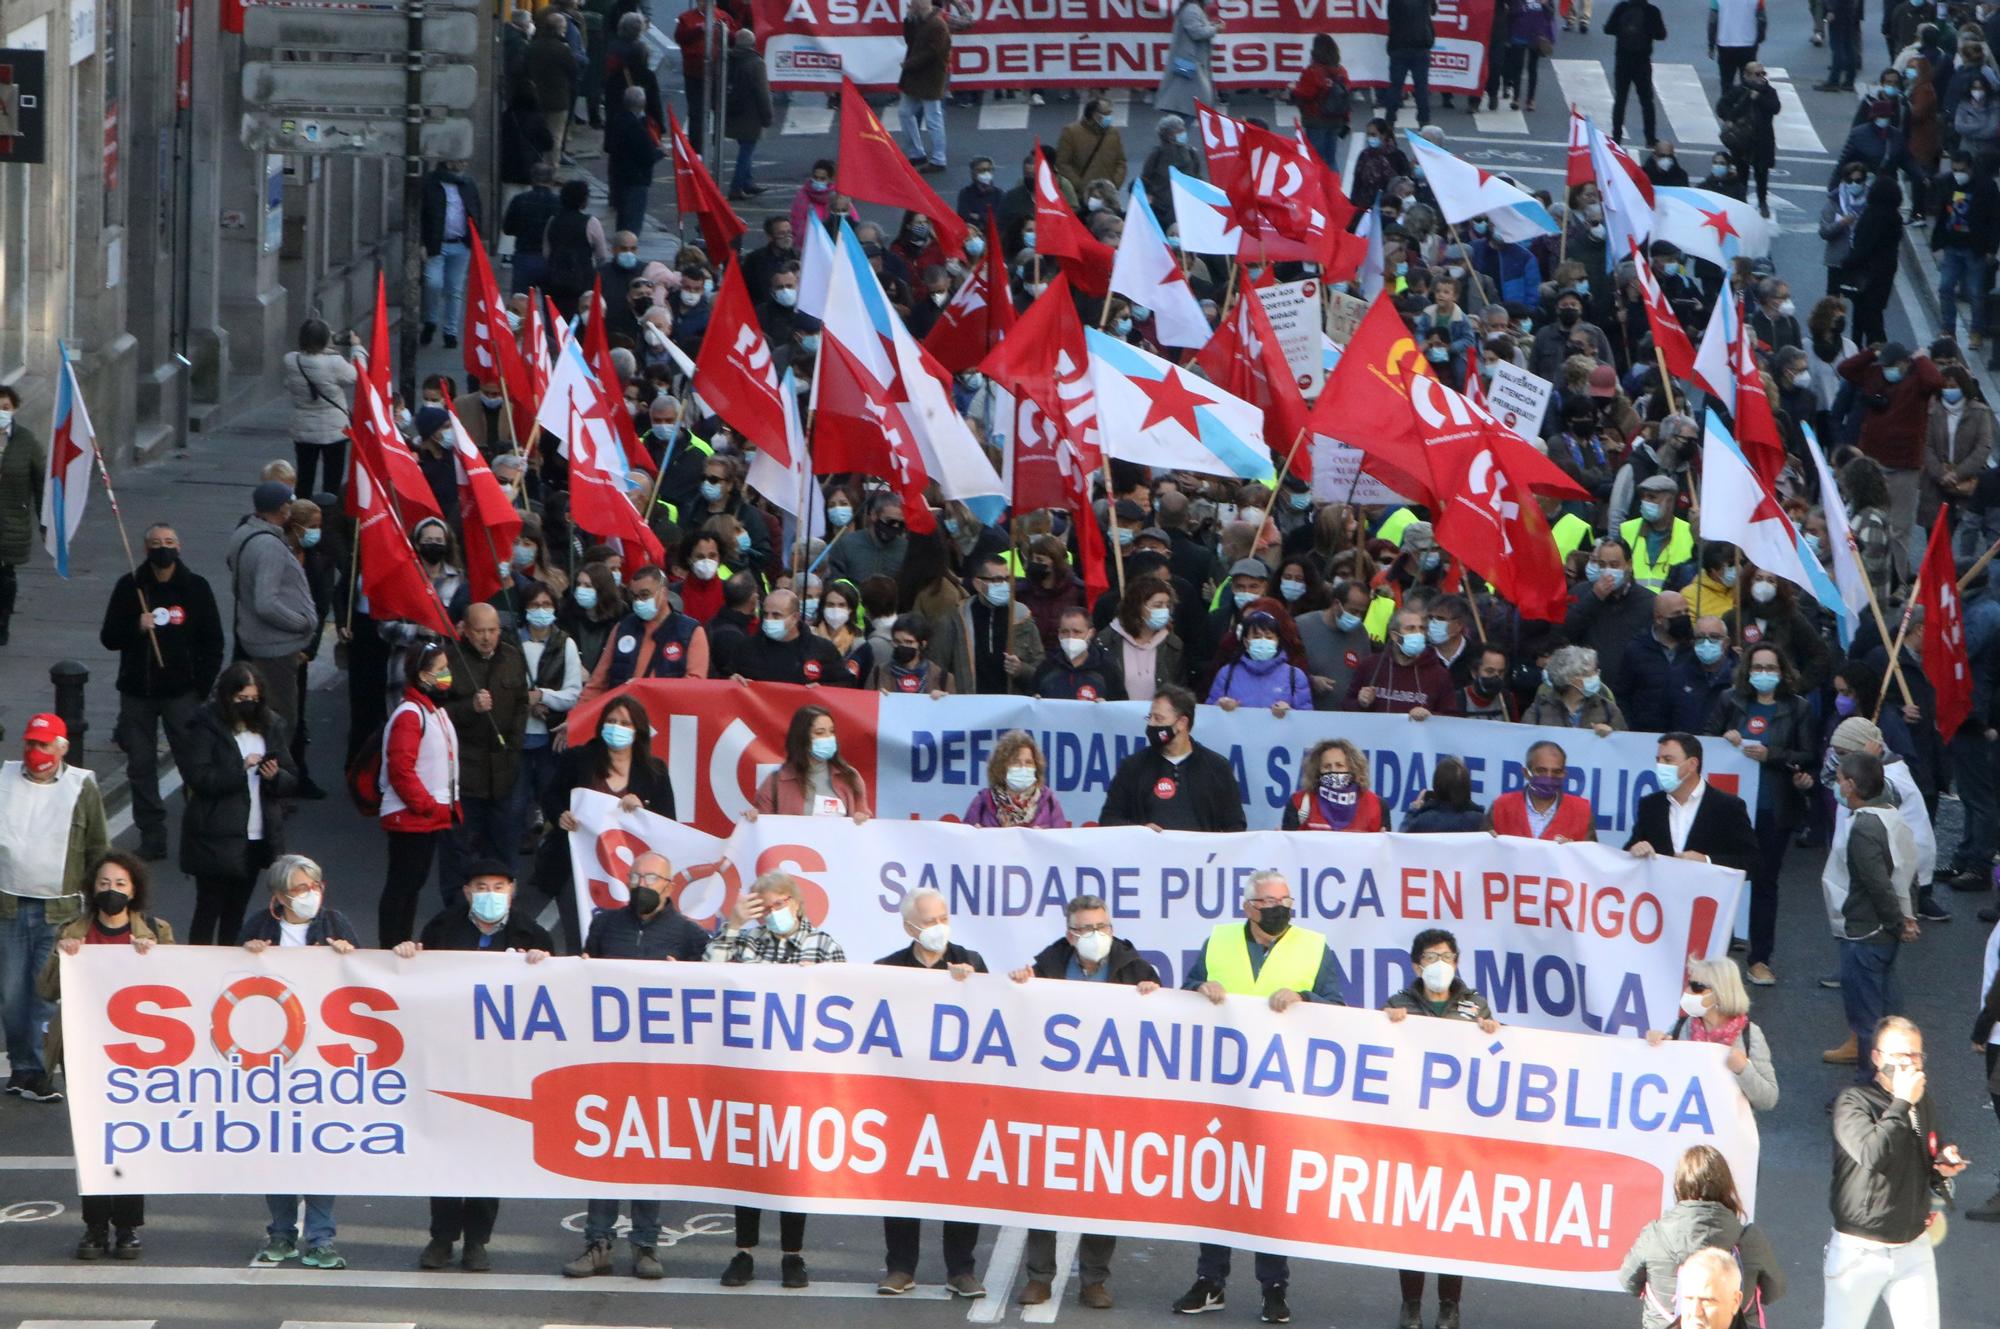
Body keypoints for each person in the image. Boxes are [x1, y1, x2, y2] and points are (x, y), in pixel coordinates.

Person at [1175, 869, 1341, 1324]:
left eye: (1286, 899)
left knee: (1268, 1190)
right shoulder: (1220, 940)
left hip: (1279, 1092)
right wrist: (1199, 990)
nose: (1280, 908)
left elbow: (1340, 1009)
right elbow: (1187, 989)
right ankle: (1211, 1281)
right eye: (1270, 901)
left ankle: (1274, 1287)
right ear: (1249, 907)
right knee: (1217, 1184)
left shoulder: (1313, 946)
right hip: (1222, 1087)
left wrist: (1305, 997)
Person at [392, 859, 552, 1271]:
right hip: (449, 1059)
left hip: (501, 1066)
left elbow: (556, 993)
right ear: (466, 892)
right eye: (481, 886)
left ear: (512, 890)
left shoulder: (533, 935)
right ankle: (442, 1238)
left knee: (487, 1154)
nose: (490, 894)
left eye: (498, 886)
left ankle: (477, 1241)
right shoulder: (442, 929)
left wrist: (545, 963)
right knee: (445, 1150)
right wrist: (408, 955)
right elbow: (418, 981)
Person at [563, 851, 711, 1279]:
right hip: (609, 1061)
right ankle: (597, 1242)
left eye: (651, 876)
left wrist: (684, 976)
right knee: (606, 1149)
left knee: (649, 1150)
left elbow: (710, 991)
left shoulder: (688, 936)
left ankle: (646, 1245)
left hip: (661, 1066)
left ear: (669, 887)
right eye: (635, 874)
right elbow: (582, 977)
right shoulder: (606, 924)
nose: (641, 882)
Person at [1007, 894, 1156, 1308]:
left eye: (1103, 927)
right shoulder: (1047, 968)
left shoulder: (1136, 970)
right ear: (1071, 934)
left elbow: (1156, 1023)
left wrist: (1153, 995)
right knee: (1043, 1185)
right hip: (1053, 1098)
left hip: (1110, 1100)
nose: (1097, 935)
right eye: (1088, 929)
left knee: (1100, 1189)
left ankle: (1094, 1281)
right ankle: (1040, 1277)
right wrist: (1020, 986)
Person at [707, 871, 844, 1289]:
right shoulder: (747, 940)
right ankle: (744, 1252)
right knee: (749, 1164)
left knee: (790, 1168)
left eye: (780, 903)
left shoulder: (824, 945)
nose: (773, 912)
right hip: (750, 1072)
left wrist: (815, 981)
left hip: (799, 1077)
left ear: (797, 902)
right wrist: (731, 924)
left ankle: (793, 1256)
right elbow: (707, 973)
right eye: (764, 906)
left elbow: (843, 1003)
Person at [44, 852, 168, 1257]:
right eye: (103, 884)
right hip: (86, 1055)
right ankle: (95, 1227)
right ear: (91, 889)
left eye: (120, 884)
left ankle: (128, 1227)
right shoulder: (73, 930)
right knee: (94, 1143)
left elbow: (179, 989)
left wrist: (156, 957)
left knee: (131, 1141)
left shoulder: (155, 931)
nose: (111, 891)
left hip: (137, 1058)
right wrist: (61, 957)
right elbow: (45, 991)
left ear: (134, 890)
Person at [243, 854, 359, 1269]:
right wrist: (249, 954)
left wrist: (347, 955)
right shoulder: (259, 925)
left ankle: (321, 1238)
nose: (310, 895)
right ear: (279, 896)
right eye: (299, 888)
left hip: (321, 1060)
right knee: (276, 1148)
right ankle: (280, 1233)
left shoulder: (335, 923)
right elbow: (231, 976)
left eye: (315, 886)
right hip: (271, 1057)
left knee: (319, 1148)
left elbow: (360, 981)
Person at [1383, 927, 1498, 1329]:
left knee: (1453, 1219)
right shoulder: (1398, 1004)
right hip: (1412, 1133)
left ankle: (1450, 1306)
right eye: (1431, 958)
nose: (1440, 965)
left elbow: (1497, 1061)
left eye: (1447, 957)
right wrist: (1388, 1025)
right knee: (1412, 1218)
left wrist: (1492, 1034)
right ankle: (1410, 1305)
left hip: (1457, 1133)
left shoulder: (1474, 1005)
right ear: (1416, 965)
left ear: (1457, 962)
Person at [877, 887, 986, 1297]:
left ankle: (961, 1270)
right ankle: (901, 1268)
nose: (939, 928)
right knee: (904, 1181)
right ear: (909, 927)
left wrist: (971, 986)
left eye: (943, 918)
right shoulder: (888, 969)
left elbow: (995, 1013)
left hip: (958, 1096)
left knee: (960, 1180)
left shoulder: (971, 963)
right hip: (905, 1093)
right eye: (929, 922)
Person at [1823, 1016, 1967, 1329]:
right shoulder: (1853, 1102)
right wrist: (1901, 1102)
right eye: (1899, 1055)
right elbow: (1871, 1153)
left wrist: (1942, 1162)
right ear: (1876, 1058)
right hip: (1859, 1249)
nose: (1908, 1063)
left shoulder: (1921, 1101)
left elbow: (1925, 1150)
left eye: (1915, 1055)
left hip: (1913, 1245)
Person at [98, 522, 224, 861]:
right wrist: (134, 627)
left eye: (169, 541)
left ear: (179, 547)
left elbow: (213, 641)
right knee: (140, 765)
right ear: (145, 550)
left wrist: (201, 687)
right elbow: (109, 637)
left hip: (182, 694)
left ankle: (200, 829)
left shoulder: (196, 588)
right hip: (137, 693)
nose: (162, 548)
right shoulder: (131, 587)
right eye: (156, 543)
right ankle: (152, 834)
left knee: (192, 763)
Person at [0, 712, 108, 1103]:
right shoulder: (4, 779)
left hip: (60, 912)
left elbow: (98, 846)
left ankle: (39, 1073)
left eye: (44, 744)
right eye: (30, 743)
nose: (35, 751)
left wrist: (104, 904)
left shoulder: (82, 787)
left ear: (62, 747)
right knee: (12, 996)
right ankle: (23, 1068)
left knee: (43, 996)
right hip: (8, 907)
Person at [1707, 644, 1815, 984]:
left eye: (1771, 667)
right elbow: (1702, 741)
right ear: (1746, 670)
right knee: (1721, 878)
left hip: (1774, 807)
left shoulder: (1798, 708)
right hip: (1730, 810)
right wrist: (1724, 738)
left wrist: (1772, 755)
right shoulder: (1729, 701)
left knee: (1765, 882)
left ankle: (1760, 958)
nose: (1764, 673)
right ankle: (1713, 957)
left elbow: (1809, 753)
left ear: (1782, 671)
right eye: (1758, 666)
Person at [541, 697, 673, 952]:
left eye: (625, 723)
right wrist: (560, 815)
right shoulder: (578, 759)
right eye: (611, 721)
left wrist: (643, 811)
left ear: (638, 730)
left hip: (628, 875)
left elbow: (667, 821)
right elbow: (551, 795)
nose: (617, 728)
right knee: (577, 940)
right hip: (576, 868)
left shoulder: (654, 772)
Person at [179, 662, 296, 947]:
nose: (248, 705)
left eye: (254, 700)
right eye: (242, 699)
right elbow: (198, 776)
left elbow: (292, 777)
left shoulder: (269, 726)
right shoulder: (206, 726)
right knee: (209, 909)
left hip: (255, 835)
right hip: (215, 834)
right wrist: (239, 769)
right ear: (227, 697)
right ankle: (198, 966)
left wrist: (274, 776)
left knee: (236, 911)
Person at [1617, 1146, 1782, 1329]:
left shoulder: (1655, 1235)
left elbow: (1629, 1282)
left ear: (1679, 1186)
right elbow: (1774, 1290)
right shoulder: (1749, 1238)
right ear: (1727, 1187)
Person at [1831, 750, 1921, 1082]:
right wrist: (1908, 919)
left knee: (1868, 1021)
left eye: (1840, 780)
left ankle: (1869, 1087)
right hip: (1886, 934)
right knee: (1890, 1014)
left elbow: (1876, 884)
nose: (1838, 787)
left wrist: (1898, 923)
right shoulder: (1891, 817)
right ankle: (1897, 1082)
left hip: (1866, 933)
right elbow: (1908, 872)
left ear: (1852, 785)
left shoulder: (1864, 827)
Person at [437, 603, 529, 888]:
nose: (487, 637)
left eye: (492, 630)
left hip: (504, 773)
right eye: (480, 631)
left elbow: (521, 705)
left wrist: (513, 748)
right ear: (465, 629)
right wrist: (469, 708)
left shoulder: (513, 657)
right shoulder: (448, 662)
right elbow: (437, 713)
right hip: (466, 774)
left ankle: (503, 905)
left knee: (503, 846)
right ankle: (456, 907)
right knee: (460, 848)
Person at [378, 642, 463, 948]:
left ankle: (400, 941)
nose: (446, 675)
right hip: (413, 816)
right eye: (439, 669)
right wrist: (426, 806)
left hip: (425, 816)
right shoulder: (411, 714)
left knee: (411, 885)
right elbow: (401, 768)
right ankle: (391, 945)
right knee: (403, 884)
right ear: (422, 674)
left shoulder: (431, 711)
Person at [225, 481, 318, 751]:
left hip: (256, 638)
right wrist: (301, 623)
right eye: (289, 505)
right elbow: (266, 603)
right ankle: (271, 777)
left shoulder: (243, 533)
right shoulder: (269, 546)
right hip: (274, 647)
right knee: (280, 718)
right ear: (282, 508)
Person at [1100, 685, 1245, 831]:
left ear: (1182, 723)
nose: (1151, 724)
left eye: (1158, 719)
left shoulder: (1217, 767)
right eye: (1150, 717)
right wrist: (1140, 831)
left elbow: (1235, 826)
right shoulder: (1132, 767)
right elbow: (1109, 819)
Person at [1643, 958, 1780, 1110]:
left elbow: (1768, 1099)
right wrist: (1657, 1046)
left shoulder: (1749, 1035)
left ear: (1720, 992)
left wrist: (1743, 1069)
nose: (1687, 991)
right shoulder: (1682, 1027)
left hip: (1726, 1130)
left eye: (1696, 987)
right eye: (1689, 984)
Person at [1626, 732, 1758, 873]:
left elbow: (1753, 862)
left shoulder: (1728, 806)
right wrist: (1634, 850)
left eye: (1668, 760)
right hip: (1659, 892)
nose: (1660, 766)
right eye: (1658, 760)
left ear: (1692, 764)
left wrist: (1707, 861)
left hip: (1706, 892)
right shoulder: (1650, 805)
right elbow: (1629, 850)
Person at [932, 556, 1043, 695]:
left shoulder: (1022, 616)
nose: (1004, 584)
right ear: (978, 584)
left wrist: (1021, 669)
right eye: (997, 579)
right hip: (970, 705)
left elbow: (1040, 668)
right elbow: (935, 667)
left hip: (1011, 707)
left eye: (1007, 578)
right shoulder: (956, 619)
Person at [748, 704, 872, 820]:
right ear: (801, 738)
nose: (828, 737)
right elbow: (763, 828)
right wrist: (753, 819)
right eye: (820, 733)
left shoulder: (849, 776)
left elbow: (863, 820)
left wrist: (862, 820)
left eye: (831, 731)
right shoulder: (775, 781)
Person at [281, 321, 359, 498]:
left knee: (305, 475)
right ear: (324, 340)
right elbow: (356, 374)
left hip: (303, 428)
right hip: (334, 430)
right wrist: (357, 348)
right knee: (333, 477)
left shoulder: (291, 360)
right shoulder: (334, 363)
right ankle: (329, 512)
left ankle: (303, 511)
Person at [1563, 539, 1656, 683]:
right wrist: (1594, 598)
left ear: (1629, 565)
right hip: (1586, 685)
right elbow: (1565, 632)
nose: (1607, 571)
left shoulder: (1648, 601)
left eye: (1614, 565)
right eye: (1602, 565)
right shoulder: (1580, 593)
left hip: (1629, 687)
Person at [1342, 606, 1457, 716]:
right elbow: (1346, 706)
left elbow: (1451, 717)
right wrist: (1360, 703)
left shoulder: (1439, 674)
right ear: (1394, 636)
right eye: (1410, 628)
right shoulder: (1370, 666)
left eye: (1421, 628)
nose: (1418, 634)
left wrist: (1430, 716)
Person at [420, 159, 482, 347]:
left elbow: (476, 210)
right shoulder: (430, 183)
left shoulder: (467, 183)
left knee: (454, 289)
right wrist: (421, 243)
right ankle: (430, 319)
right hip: (436, 243)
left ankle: (451, 331)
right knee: (433, 283)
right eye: (460, 160)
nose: (464, 163)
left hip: (461, 244)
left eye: (465, 160)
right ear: (448, 161)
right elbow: (421, 214)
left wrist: (476, 239)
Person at [1208, 606, 1314, 715]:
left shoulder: (1295, 676)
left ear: (1277, 641)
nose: (1263, 641)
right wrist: (1219, 706)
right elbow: (1210, 713)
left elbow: (1306, 717)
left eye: (1269, 637)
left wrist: (1290, 712)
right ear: (1245, 642)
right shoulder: (1227, 673)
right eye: (1257, 637)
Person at [1487, 740, 1598, 841]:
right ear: (1526, 773)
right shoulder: (1501, 806)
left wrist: (1575, 850)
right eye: (1541, 770)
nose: (1549, 777)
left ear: (1563, 775)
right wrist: (1488, 842)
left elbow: (1591, 858)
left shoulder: (1581, 811)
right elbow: (1482, 854)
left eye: (1556, 772)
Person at [0, 384, 40, 646]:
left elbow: (39, 480)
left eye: (5, 408)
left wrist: (45, 519)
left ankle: (2, 622)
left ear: (14, 409)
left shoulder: (25, 441)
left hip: (11, 519)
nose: (1, 413)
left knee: (4, 575)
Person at [1283, 738, 1392, 831]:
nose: (1333, 770)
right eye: (1327, 766)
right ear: (1317, 770)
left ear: (1353, 768)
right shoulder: (1298, 802)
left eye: (1339, 765)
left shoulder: (1377, 805)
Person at [1715, 63, 1780, 216]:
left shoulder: (1768, 91)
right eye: (1757, 74)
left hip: (1762, 138)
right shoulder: (1738, 91)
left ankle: (1762, 201)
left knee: (1762, 172)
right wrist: (1729, 119)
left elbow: (1775, 108)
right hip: (1741, 138)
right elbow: (1721, 106)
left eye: (1763, 73)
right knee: (1741, 171)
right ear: (1746, 75)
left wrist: (1759, 99)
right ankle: (1741, 201)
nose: (1761, 77)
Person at [1524, 644, 1627, 733]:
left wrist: (1612, 734)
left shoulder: (1608, 709)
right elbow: (1524, 744)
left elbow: (1624, 745)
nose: (1597, 676)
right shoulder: (1539, 710)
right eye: (1591, 673)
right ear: (1572, 679)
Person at [898, 0, 951, 173]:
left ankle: (938, 158)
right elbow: (910, 42)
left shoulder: (937, 25)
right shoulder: (920, 22)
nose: (911, 3)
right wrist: (908, 21)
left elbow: (932, 53)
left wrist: (910, 64)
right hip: (918, 76)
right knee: (905, 113)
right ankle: (916, 152)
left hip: (930, 76)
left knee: (933, 118)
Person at [1604, 0, 1667, 144]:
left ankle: (1617, 136)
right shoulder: (1652, 11)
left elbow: (1608, 29)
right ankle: (1650, 138)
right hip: (1642, 61)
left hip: (1622, 59)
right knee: (1646, 101)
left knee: (1620, 100)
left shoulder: (1621, 8)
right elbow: (1661, 34)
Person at [604, 86, 665, 235]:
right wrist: (660, 153)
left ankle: (620, 250)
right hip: (636, 180)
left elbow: (608, 146)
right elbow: (647, 157)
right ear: (642, 104)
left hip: (618, 177)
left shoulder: (616, 120)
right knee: (632, 225)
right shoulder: (637, 128)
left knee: (622, 221)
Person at [724, 30, 774, 201]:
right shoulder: (756, 63)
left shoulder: (727, 59)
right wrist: (768, 116)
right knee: (747, 149)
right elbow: (763, 92)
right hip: (750, 113)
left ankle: (746, 181)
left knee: (745, 147)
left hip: (732, 109)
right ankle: (737, 186)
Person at [526, 9, 579, 165]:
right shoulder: (563, 49)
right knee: (555, 137)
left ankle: (535, 166)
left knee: (535, 134)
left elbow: (525, 69)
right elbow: (574, 72)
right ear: (559, 29)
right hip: (558, 99)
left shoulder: (533, 47)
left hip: (536, 96)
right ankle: (550, 171)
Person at [1155, 0, 1221, 118]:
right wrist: (1215, 29)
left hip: (1188, 61)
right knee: (1195, 101)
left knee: (1185, 99)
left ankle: (1174, 128)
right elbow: (1197, 33)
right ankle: (1176, 129)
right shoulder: (1191, 9)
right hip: (1189, 62)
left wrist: (1211, 26)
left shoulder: (1193, 9)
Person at [1380, 0, 1437, 128]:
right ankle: (1424, 120)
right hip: (1421, 45)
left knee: (1395, 86)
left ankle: (1390, 119)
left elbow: (1391, 17)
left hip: (1399, 45)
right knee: (1421, 87)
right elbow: (1433, 10)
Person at [1708, 0, 1762, 90]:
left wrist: (1711, 44)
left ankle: (1727, 103)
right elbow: (1762, 19)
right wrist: (1759, 39)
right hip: (1748, 44)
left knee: (1726, 83)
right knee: (1749, 82)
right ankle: (1746, 102)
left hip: (1725, 43)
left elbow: (1713, 21)